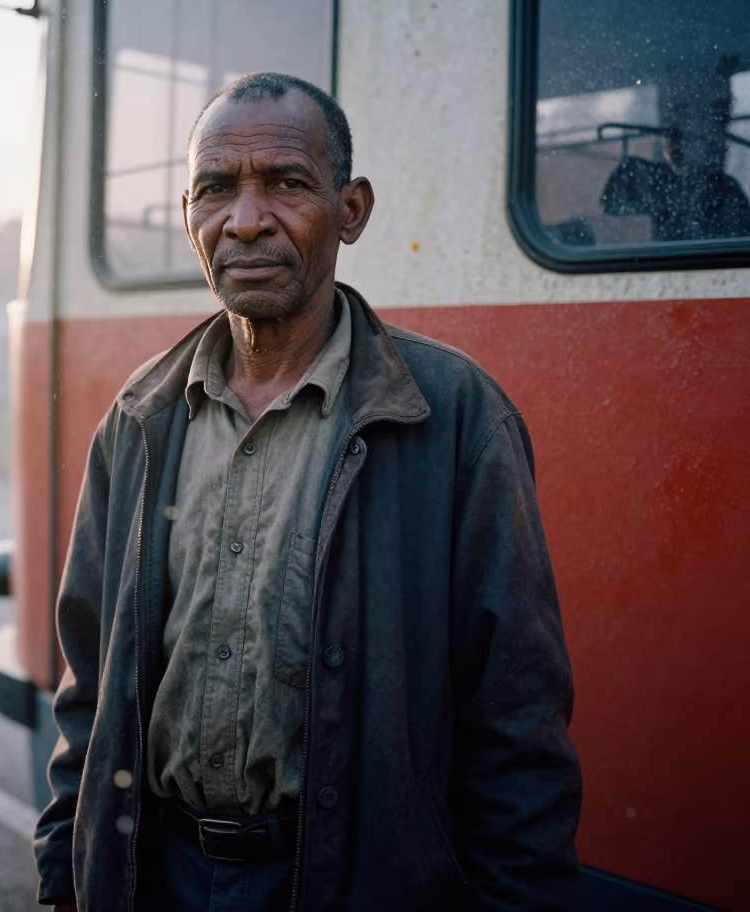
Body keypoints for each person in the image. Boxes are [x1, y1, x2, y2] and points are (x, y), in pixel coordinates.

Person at [33, 72, 582, 912]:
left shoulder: (458, 417)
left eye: (285, 184)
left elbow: (518, 726)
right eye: (215, 190)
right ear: (189, 216)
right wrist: (64, 880)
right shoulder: (140, 418)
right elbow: (90, 690)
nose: (245, 221)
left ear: (351, 210)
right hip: (156, 876)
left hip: (351, 882)